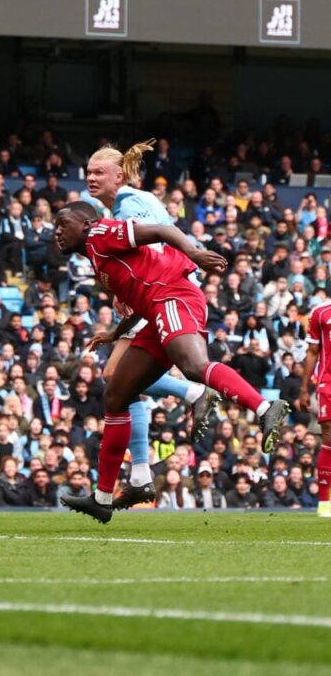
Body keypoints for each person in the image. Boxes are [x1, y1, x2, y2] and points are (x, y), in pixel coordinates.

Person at [52, 202, 289, 524]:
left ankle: (264, 408)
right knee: (116, 396)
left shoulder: (100, 232)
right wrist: (115, 332)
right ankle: (102, 498)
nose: (56, 231)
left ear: (84, 223)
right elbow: (139, 299)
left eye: (62, 223)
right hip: (155, 309)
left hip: (173, 297)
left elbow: (163, 230)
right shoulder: (97, 255)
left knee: (193, 365)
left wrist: (195, 253)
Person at [82, 139, 219, 501]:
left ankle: (193, 391)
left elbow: (153, 245)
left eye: (98, 172)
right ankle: (141, 473)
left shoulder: (133, 202)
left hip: (165, 290)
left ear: (119, 175)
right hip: (156, 290)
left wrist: (131, 291)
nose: (90, 178)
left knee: (115, 378)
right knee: (125, 387)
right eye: (88, 172)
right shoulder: (119, 209)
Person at [295, 300, 331, 518]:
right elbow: (312, 351)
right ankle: (325, 501)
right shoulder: (321, 312)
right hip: (329, 382)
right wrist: (304, 388)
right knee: (328, 437)